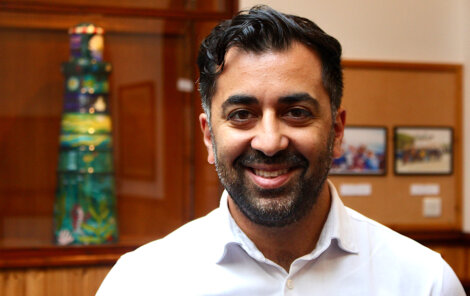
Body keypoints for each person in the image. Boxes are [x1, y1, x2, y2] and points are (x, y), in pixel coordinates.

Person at [97, 5, 465, 295]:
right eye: (242, 115)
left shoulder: (423, 283)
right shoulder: (141, 284)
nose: (270, 142)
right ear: (209, 136)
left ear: (336, 131)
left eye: (296, 113)